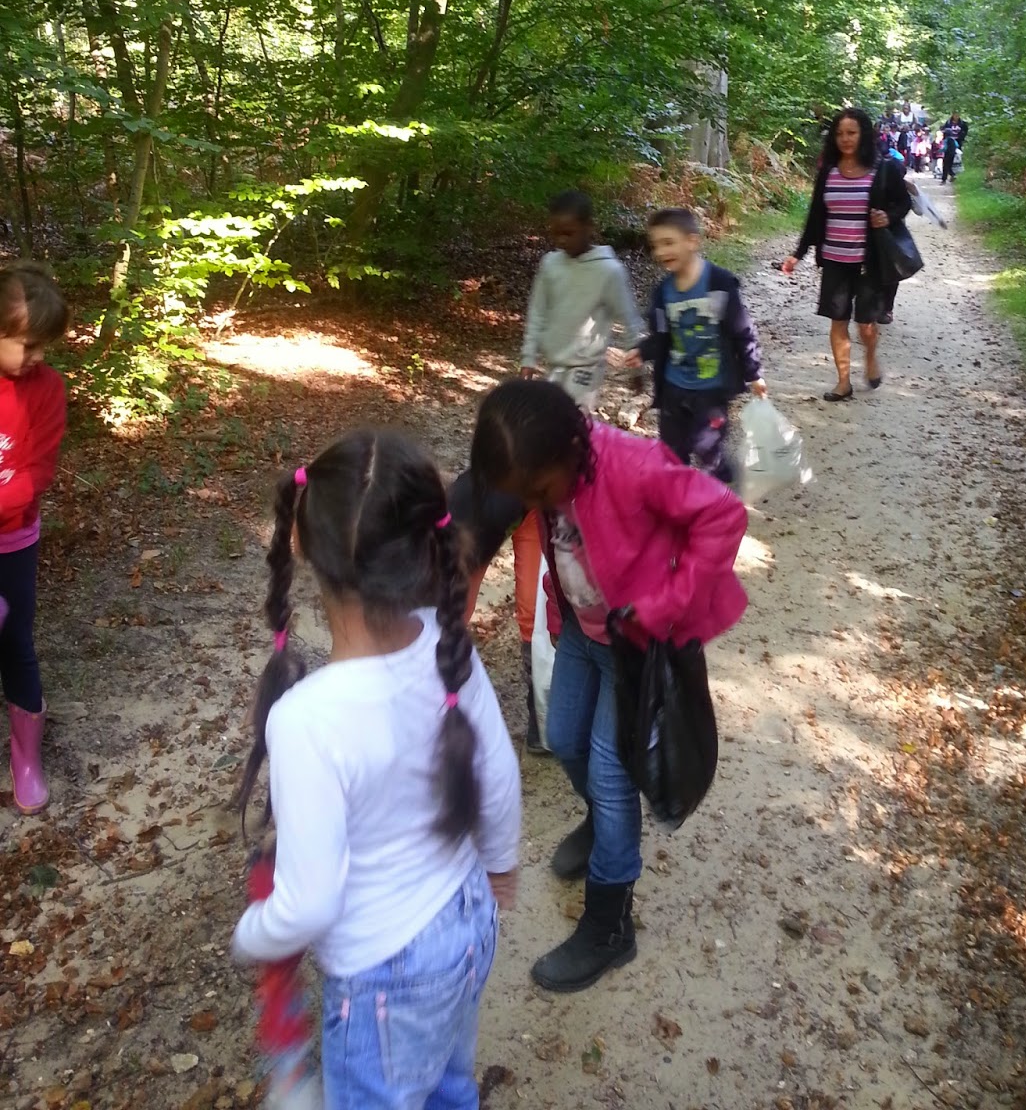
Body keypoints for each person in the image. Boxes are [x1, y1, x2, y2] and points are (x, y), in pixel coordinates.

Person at [231, 429, 522, 1109]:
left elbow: (308, 904)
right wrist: (500, 869)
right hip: (469, 920)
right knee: (451, 1082)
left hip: (385, 976)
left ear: (301, 544)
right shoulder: (449, 649)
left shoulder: (307, 719)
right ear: (427, 539)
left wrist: (254, 933)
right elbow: (501, 775)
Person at [471, 379, 747, 994]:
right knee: (563, 738)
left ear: (573, 448)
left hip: (634, 648)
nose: (537, 502)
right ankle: (601, 822)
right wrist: (553, 601)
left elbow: (723, 515)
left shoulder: (633, 465)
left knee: (610, 772)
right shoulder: (543, 478)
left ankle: (609, 924)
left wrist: (665, 604)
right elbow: (561, 547)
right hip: (580, 631)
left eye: (540, 491)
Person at [618, 207, 766, 484]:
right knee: (672, 452)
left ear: (692, 241)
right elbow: (662, 336)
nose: (661, 252)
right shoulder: (663, 292)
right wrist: (642, 351)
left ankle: (718, 474)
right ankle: (680, 499)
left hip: (711, 390)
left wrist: (753, 372)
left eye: (668, 243)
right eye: (655, 246)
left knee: (706, 446)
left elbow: (742, 330)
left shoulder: (720, 284)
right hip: (674, 386)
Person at [781, 108, 912, 399]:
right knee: (837, 322)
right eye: (840, 133)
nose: (845, 139)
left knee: (866, 325)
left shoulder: (883, 168)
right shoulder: (828, 171)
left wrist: (887, 218)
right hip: (834, 260)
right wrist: (798, 254)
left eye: (851, 132)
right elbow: (815, 215)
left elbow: (903, 203)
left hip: (869, 262)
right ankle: (843, 382)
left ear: (863, 134)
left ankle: (870, 359)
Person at [0, 264, 69, 814]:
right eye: (26, 345)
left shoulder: (47, 390)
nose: (38, 357)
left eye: (44, 346)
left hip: (14, 540)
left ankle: (26, 755)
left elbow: (36, 471)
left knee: (16, 641)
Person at [446, 466, 549, 754]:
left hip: (536, 505)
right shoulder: (465, 512)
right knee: (453, 613)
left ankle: (541, 719)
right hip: (486, 511)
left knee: (535, 609)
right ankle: (440, 706)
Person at [520, 188, 642, 408]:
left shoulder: (609, 271)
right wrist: (528, 357)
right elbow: (537, 312)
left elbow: (628, 317)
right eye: (556, 233)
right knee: (552, 422)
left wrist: (637, 366)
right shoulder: (550, 264)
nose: (561, 240)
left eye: (569, 233)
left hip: (587, 368)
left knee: (571, 424)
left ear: (589, 228)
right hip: (555, 364)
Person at [941, 113, 968, 183]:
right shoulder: (952, 139)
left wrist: (940, 150)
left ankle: (944, 179)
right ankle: (952, 175)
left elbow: (944, 147)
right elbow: (956, 145)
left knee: (946, 165)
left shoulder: (946, 140)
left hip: (948, 153)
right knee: (949, 165)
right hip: (953, 152)